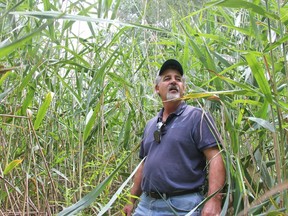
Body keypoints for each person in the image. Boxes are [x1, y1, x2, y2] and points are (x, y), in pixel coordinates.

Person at [123, 59, 226, 216]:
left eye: (178, 79)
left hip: (182, 206)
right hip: (146, 205)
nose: (173, 81)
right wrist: (131, 200)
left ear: (183, 88)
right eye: (167, 78)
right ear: (157, 88)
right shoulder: (150, 124)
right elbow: (144, 164)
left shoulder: (197, 117)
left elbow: (216, 157)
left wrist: (214, 200)